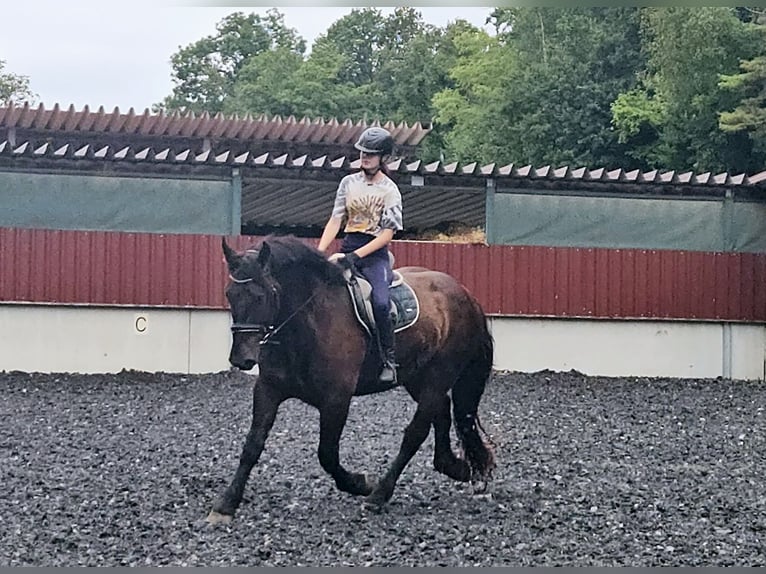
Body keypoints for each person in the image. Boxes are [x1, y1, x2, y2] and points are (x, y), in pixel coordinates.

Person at [317, 127, 403, 385]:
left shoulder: (390, 190)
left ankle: (389, 359)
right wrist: (321, 252)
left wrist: (356, 256)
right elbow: (335, 220)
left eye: (371, 154)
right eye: (363, 153)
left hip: (374, 253)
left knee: (379, 302)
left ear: (383, 158)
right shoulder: (348, 183)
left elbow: (387, 235)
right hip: (348, 245)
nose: (364, 157)